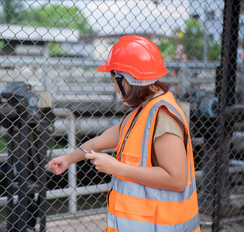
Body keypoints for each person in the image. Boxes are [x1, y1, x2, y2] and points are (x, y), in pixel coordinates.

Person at [45, 35, 200, 232]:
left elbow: (177, 180)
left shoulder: (163, 115)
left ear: (126, 79)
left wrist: (116, 168)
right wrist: (68, 159)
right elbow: (100, 141)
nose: (115, 88)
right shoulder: (141, 114)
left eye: (114, 81)